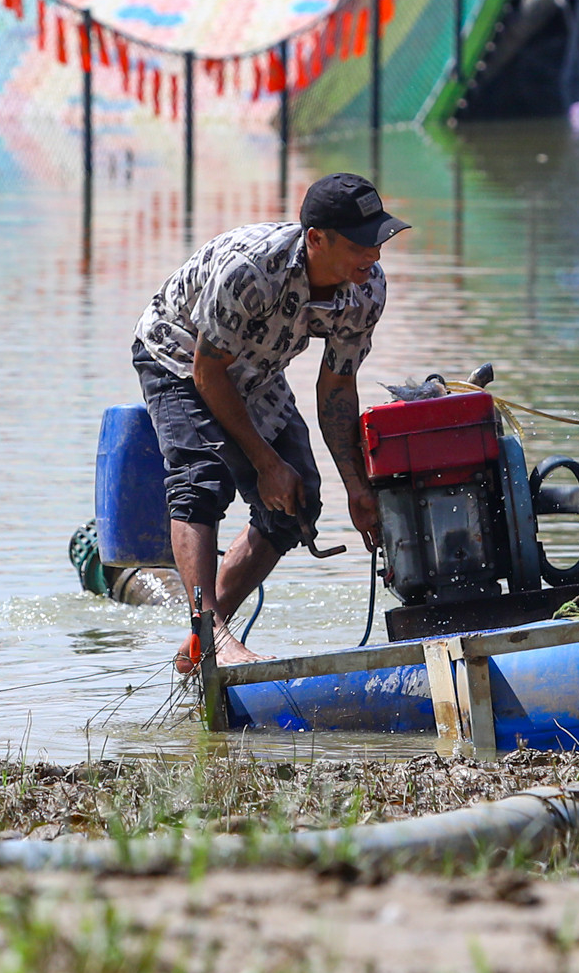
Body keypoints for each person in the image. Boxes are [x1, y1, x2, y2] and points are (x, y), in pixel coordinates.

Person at [133, 173, 405, 668]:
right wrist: (264, 462)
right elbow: (207, 371)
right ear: (316, 239)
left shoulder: (366, 290)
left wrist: (358, 487)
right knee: (201, 480)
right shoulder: (253, 271)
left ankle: (196, 648)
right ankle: (210, 631)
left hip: (257, 368)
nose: (375, 255)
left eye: (380, 239)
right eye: (361, 244)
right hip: (181, 354)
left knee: (295, 506)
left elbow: (337, 386)